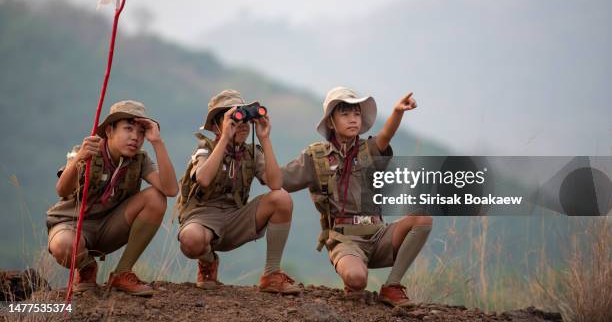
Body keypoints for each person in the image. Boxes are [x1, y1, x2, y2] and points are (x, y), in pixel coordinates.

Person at [281, 87, 432, 307]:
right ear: (331, 122)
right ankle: (353, 277)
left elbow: (385, 136)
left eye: (357, 114)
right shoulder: (316, 158)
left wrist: (398, 112)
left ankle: (392, 286)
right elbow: (280, 180)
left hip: (379, 234)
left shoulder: (367, 150)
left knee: (423, 218)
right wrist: (262, 146)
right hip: (346, 239)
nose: (353, 119)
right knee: (357, 279)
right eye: (345, 114)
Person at [47, 100, 178, 296]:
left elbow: (170, 190)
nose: (135, 137)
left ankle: (122, 273)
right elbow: (61, 189)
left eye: (141, 132)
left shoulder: (139, 161)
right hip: (74, 225)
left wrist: (157, 142)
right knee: (63, 245)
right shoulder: (88, 150)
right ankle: (86, 268)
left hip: (111, 227)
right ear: (109, 131)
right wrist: (79, 158)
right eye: (128, 129)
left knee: (156, 197)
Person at [177, 90, 300, 294]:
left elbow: (276, 184)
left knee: (281, 199)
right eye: (232, 119)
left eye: (244, 119)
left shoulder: (251, 153)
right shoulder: (205, 148)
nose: (241, 125)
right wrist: (225, 137)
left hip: (235, 217)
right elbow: (204, 179)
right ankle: (207, 262)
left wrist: (265, 139)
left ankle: (271, 274)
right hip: (202, 217)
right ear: (217, 125)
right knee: (191, 240)